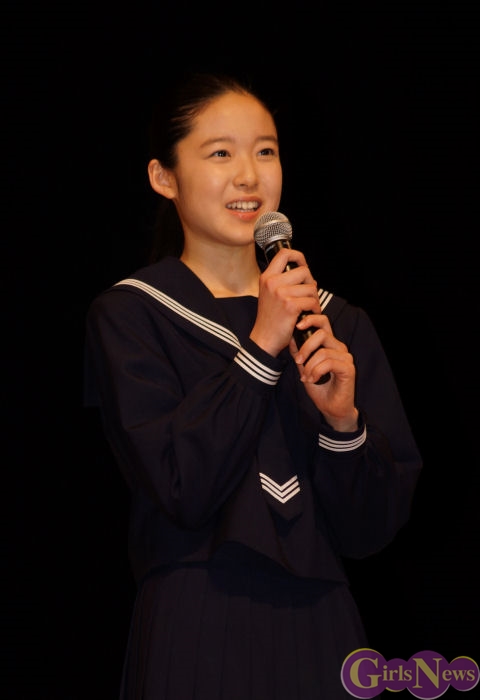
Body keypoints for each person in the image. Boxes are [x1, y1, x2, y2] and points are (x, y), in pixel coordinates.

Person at [84, 71, 422, 700]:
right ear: (163, 177)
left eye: (265, 151)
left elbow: (371, 530)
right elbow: (180, 488)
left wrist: (344, 426)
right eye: (221, 153)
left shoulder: (337, 323)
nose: (249, 176)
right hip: (195, 620)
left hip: (325, 628)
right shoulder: (133, 315)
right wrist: (261, 347)